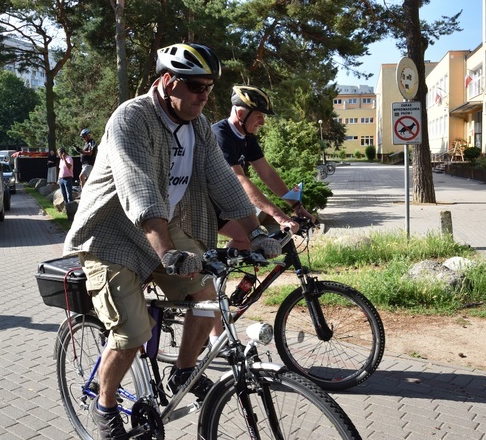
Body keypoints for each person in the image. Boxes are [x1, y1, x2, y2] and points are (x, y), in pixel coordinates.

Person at [62, 43, 281, 440]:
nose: (203, 96)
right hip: (111, 234)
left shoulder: (197, 126)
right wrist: (167, 253)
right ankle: (105, 405)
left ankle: (182, 371)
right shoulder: (131, 118)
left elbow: (223, 181)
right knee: (133, 332)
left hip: (163, 229)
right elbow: (139, 187)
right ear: (167, 82)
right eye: (196, 86)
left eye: (209, 88)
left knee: (208, 293)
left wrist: (257, 233)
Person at [208, 85, 316, 353]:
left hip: (223, 207)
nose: (263, 121)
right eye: (259, 115)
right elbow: (241, 181)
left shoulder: (246, 137)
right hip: (202, 208)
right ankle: (214, 334)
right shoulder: (219, 134)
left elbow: (267, 173)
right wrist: (279, 216)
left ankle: (224, 297)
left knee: (244, 241)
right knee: (210, 278)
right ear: (241, 112)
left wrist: (297, 205)